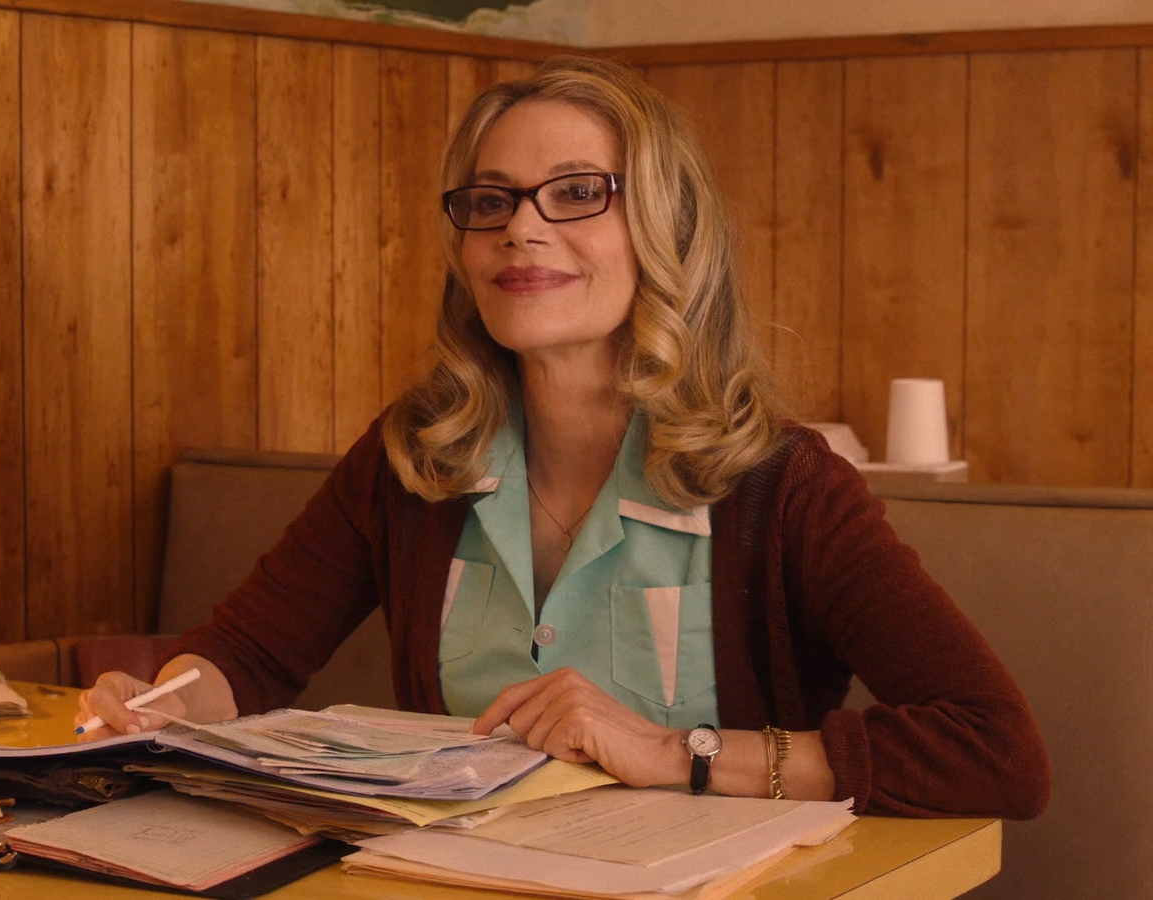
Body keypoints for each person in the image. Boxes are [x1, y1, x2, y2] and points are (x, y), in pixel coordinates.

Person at [78, 55, 1049, 818]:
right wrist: (162, 696)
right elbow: (244, 656)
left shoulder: (784, 485)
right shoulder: (414, 455)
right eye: (489, 200)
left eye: (577, 192)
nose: (520, 230)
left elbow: (995, 750)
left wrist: (677, 754)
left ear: (663, 226)